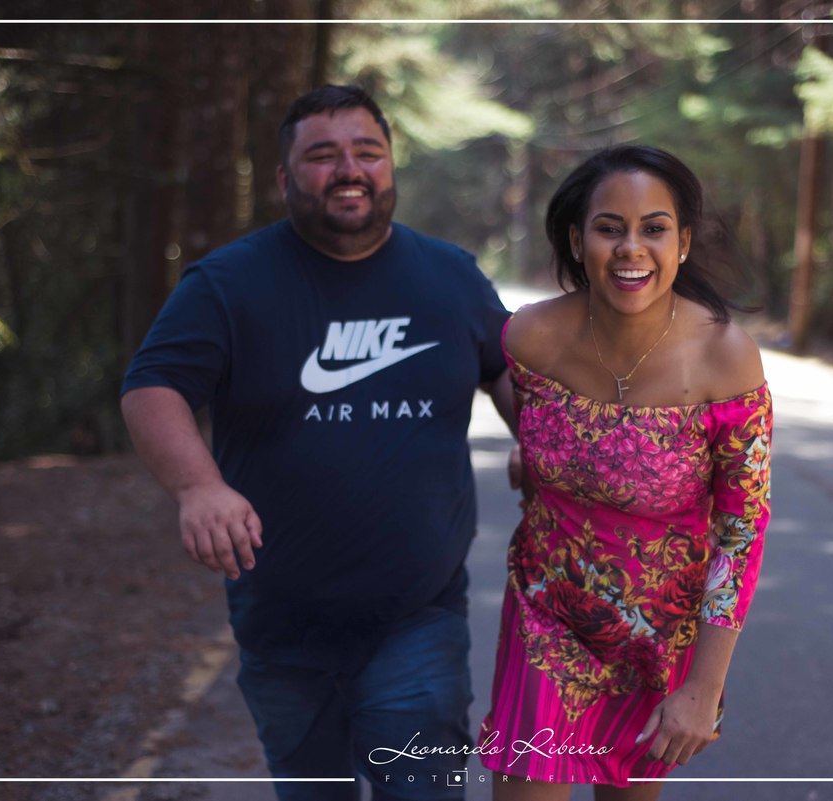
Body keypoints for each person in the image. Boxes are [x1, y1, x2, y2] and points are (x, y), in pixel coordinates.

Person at [120, 85, 515, 801]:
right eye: (323, 155)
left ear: (390, 165)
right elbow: (153, 386)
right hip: (282, 623)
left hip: (417, 615)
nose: (350, 169)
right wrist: (198, 487)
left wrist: (545, 446)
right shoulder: (228, 283)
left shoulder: (450, 276)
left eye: (368, 151)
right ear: (285, 177)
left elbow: (508, 372)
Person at [479, 145, 772, 798]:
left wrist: (704, 686)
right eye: (609, 227)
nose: (630, 248)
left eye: (654, 228)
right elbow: (535, 431)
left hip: (658, 640)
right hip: (546, 619)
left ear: (683, 243)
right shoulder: (530, 339)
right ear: (577, 241)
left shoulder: (726, 359)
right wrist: (533, 455)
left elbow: (741, 530)